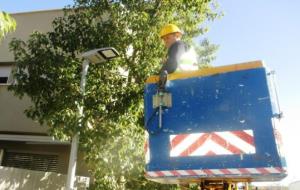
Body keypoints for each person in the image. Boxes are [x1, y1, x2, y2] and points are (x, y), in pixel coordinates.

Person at [158, 24, 198, 90]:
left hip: (181, 82)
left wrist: (159, 74)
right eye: (164, 39)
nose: (166, 41)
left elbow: (173, 63)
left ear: (177, 36)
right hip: (189, 81)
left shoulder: (178, 44)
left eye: (167, 38)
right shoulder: (186, 47)